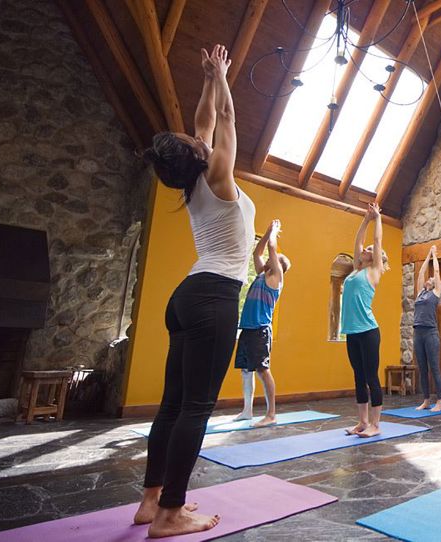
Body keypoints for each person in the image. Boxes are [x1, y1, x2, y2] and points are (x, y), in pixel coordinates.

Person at [136, 44, 254, 537]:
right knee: (195, 408)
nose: (195, 133)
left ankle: (150, 500)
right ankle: (169, 515)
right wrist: (223, 77)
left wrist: (208, 78)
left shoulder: (191, 182)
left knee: (171, 404)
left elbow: (205, 118)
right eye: (191, 138)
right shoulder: (219, 176)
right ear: (196, 153)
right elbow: (224, 115)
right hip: (214, 298)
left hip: (186, 297)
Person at [233, 219, 290, 427]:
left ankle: (271, 414)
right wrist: (266, 233)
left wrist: (275, 231)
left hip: (260, 330)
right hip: (247, 329)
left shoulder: (276, 279)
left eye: (274, 259)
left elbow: (273, 249)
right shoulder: (260, 275)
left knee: (262, 370)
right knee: (246, 370)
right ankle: (247, 410)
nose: (268, 259)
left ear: (279, 267)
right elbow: (258, 252)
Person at [341, 203, 388, 438]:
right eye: (366, 250)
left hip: (369, 331)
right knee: (358, 377)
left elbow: (377, 242)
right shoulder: (355, 270)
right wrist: (365, 220)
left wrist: (378, 218)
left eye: (371, 250)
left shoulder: (374, 271)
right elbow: (358, 242)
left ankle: (376, 425)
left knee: (371, 376)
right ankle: (362, 422)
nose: (366, 250)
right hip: (352, 331)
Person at [413, 245, 441, 411]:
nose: (429, 278)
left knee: (434, 367)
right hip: (417, 333)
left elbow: (437, 272)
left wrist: (435, 255)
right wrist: (427, 255)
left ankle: (439, 402)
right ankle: (426, 400)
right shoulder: (420, 293)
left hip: (430, 333)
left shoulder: (436, 293)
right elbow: (420, 273)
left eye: (431, 279)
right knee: (422, 368)